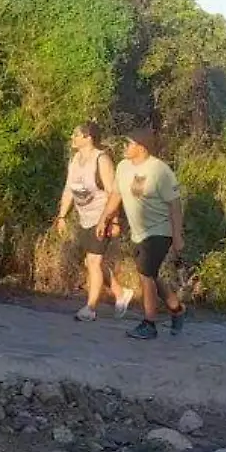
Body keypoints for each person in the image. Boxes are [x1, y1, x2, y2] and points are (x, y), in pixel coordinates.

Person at [100, 128, 187, 341]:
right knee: (152, 275)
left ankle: (149, 324)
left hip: (160, 231)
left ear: (141, 147)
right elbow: (116, 196)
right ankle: (176, 309)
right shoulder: (123, 167)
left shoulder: (160, 170)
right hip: (139, 233)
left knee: (144, 273)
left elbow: (175, 206)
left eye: (128, 144)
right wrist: (105, 218)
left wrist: (177, 237)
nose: (124, 147)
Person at [55, 122, 133, 322]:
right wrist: (62, 216)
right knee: (90, 262)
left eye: (76, 134)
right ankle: (120, 292)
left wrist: (113, 220)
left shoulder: (102, 159)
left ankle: (90, 308)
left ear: (88, 137)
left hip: (102, 216)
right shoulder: (75, 160)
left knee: (93, 261)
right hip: (85, 218)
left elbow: (113, 193)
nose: (73, 138)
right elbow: (68, 190)